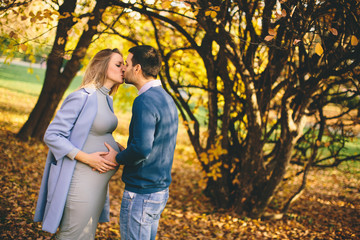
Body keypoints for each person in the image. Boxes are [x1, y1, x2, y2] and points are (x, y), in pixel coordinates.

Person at [34, 48, 124, 239]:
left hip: (96, 185)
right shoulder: (84, 96)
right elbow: (52, 135)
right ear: (102, 65)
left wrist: (116, 146)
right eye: (118, 64)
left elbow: (92, 132)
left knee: (86, 235)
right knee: (71, 234)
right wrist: (87, 158)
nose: (124, 68)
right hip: (80, 181)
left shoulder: (107, 98)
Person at [103, 45, 179, 240]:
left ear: (137, 69)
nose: (123, 69)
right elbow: (153, 146)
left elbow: (143, 149)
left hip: (142, 194)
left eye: (126, 64)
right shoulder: (166, 98)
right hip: (159, 192)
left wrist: (118, 157)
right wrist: (129, 150)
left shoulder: (144, 100)